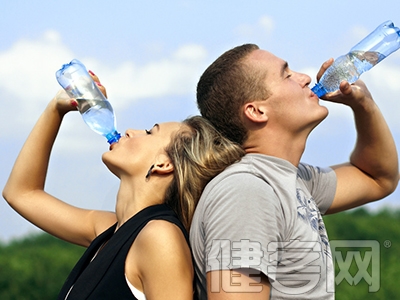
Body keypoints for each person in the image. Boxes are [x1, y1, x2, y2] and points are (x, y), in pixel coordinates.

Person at [2, 72, 245, 299]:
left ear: (164, 163)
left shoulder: (160, 237)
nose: (130, 131)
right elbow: (20, 193)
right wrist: (56, 108)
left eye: (150, 132)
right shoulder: (109, 230)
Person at [190, 43, 399, 299]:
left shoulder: (292, 180)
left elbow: (378, 178)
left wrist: (364, 105)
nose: (306, 78)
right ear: (256, 111)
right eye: (287, 75)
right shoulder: (247, 191)